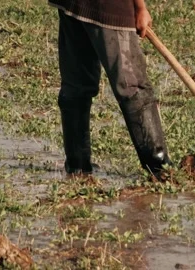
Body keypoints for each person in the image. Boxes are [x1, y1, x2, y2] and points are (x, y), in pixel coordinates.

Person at [48, 0, 172, 177]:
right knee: (132, 86)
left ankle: (78, 165)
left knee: (76, 84)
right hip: (108, 6)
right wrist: (140, 8)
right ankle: (159, 168)